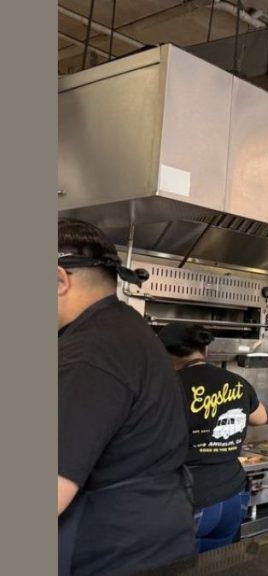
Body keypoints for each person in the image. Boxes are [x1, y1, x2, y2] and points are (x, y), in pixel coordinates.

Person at [58, 218, 194, 576]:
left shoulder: (88, 353)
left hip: (110, 554)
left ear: (58, 280)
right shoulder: (127, 328)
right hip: (154, 543)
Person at [158, 323, 268, 553]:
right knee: (222, 564)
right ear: (205, 352)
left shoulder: (168, 385)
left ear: (165, 353)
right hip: (233, 495)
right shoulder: (237, 382)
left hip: (192, 497)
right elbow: (261, 417)